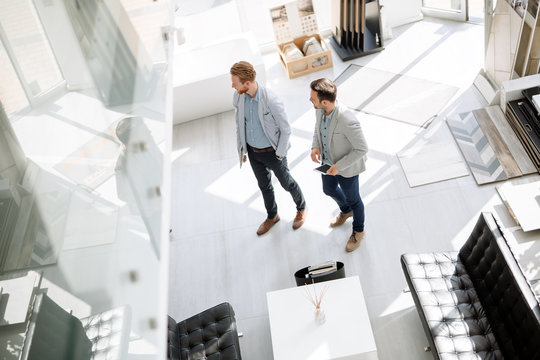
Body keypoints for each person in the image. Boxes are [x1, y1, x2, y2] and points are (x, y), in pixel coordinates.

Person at [230, 61, 307, 235]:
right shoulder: (238, 97)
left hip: (273, 153)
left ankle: (301, 207)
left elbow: (286, 129)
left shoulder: (270, 99)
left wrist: (280, 154)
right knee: (264, 186)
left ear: (247, 83)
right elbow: (239, 124)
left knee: (287, 183)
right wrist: (241, 147)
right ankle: (272, 216)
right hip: (252, 152)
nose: (232, 85)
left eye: (235, 82)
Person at [309, 78, 368, 252]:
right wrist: (315, 146)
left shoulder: (347, 119)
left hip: (347, 168)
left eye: (313, 98)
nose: (310, 100)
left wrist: (340, 166)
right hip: (327, 163)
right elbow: (317, 128)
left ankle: (359, 230)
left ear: (324, 101)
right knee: (328, 189)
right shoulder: (320, 110)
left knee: (355, 200)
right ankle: (345, 210)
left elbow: (362, 148)